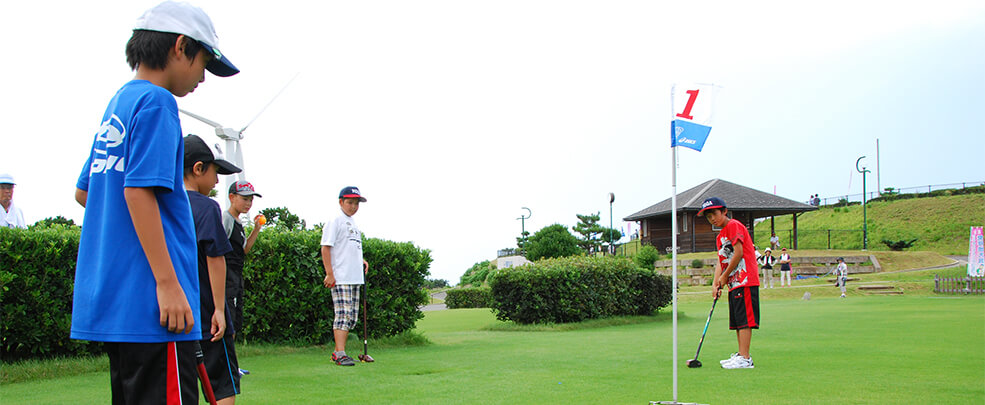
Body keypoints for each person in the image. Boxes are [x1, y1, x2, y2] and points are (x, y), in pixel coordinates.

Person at [70, 2, 240, 403]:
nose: (202, 77)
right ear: (180, 47)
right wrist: (167, 282)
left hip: (119, 307)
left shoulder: (120, 103)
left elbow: (86, 191)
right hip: (157, 309)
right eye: (204, 63)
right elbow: (137, 190)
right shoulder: (159, 102)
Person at [185, 134, 242, 404]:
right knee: (221, 389)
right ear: (198, 169)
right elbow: (215, 259)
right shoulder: (206, 207)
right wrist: (220, 309)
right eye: (214, 172)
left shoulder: (156, 205)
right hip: (208, 316)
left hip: (170, 319)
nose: (217, 181)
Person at [697, 197, 760, 369]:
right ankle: (740, 354)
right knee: (738, 320)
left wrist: (724, 276)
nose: (712, 219)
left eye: (715, 214)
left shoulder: (734, 226)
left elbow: (738, 252)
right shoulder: (720, 236)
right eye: (708, 217)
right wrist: (716, 282)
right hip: (734, 282)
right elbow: (721, 261)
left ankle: (746, 358)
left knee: (746, 320)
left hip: (745, 279)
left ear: (724, 211)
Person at [321, 186, 370, 366]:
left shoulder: (352, 223)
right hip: (341, 277)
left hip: (354, 277)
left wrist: (361, 260)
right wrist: (329, 273)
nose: (353, 207)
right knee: (343, 315)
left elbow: (348, 248)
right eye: (350, 202)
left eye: (356, 203)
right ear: (341, 202)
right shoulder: (335, 220)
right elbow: (326, 247)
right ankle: (340, 353)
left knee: (351, 317)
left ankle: (338, 351)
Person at [223, 180, 265, 376]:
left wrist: (256, 229)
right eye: (244, 199)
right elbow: (216, 250)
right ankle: (227, 367)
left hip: (236, 277)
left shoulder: (238, 222)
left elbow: (244, 250)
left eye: (250, 200)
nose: (248, 203)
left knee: (234, 323)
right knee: (227, 323)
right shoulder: (226, 219)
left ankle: (232, 365)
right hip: (225, 278)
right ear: (232, 198)